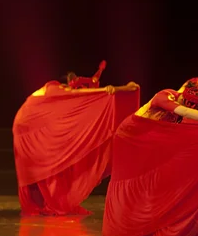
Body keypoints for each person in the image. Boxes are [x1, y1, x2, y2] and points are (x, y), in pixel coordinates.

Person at [13, 61, 140, 216]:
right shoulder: (54, 89)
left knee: (50, 160)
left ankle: (44, 200)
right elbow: (76, 94)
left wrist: (118, 89)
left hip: (25, 126)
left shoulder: (49, 93)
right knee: (48, 160)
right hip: (28, 127)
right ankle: (48, 201)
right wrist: (110, 90)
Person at [102, 78, 198, 236]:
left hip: (153, 139)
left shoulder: (185, 101)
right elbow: (183, 111)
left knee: (154, 182)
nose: (192, 106)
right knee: (133, 186)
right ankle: (126, 235)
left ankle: (153, 225)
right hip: (130, 138)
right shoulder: (164, 95)